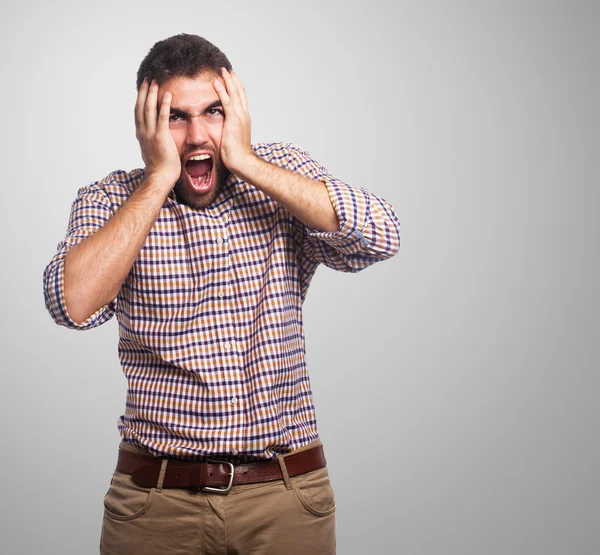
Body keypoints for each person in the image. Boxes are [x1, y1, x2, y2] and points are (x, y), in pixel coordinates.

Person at [43, 33, 401, 555]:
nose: (196, 136)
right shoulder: (112, 198)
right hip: (155, 502)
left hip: (283, 495)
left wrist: (248, 160)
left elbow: (380, 236)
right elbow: (72, 304)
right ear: (146, 123)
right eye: (174, 116)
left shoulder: (279, 174)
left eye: (212, 111)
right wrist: (158, 179)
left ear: (236, 111)